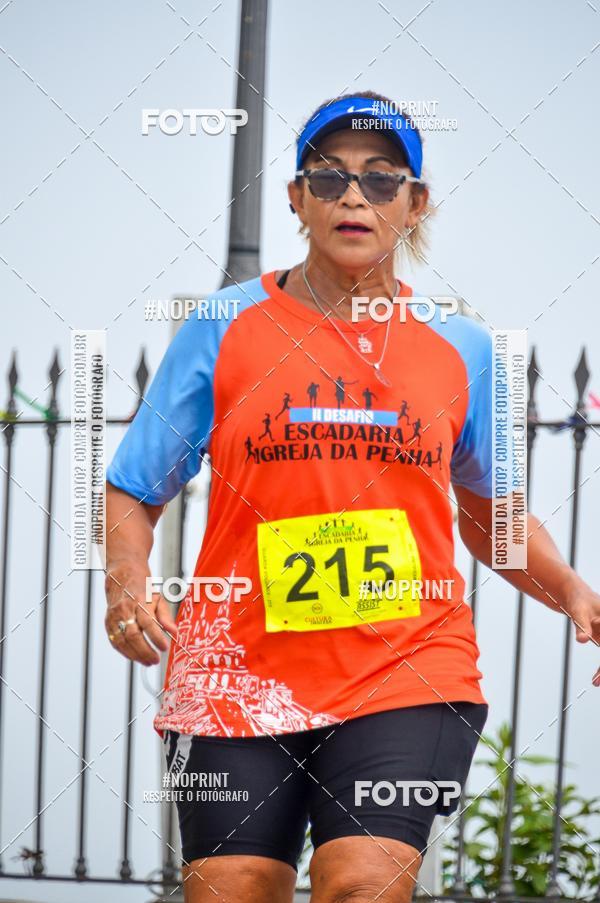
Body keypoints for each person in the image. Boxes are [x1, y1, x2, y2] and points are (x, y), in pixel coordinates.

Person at [104, 91, 600, 903]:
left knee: (362, 881)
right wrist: (127, 579)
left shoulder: (461, 347)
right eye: (329, 179)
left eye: (381, 179)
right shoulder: (224, 325)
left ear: (414, 203)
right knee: (234, 886)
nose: (354, 198)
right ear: (297, 199)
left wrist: (571, 587)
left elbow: (488, 512)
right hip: (237, 670)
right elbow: (134, 482)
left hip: (404, 665)